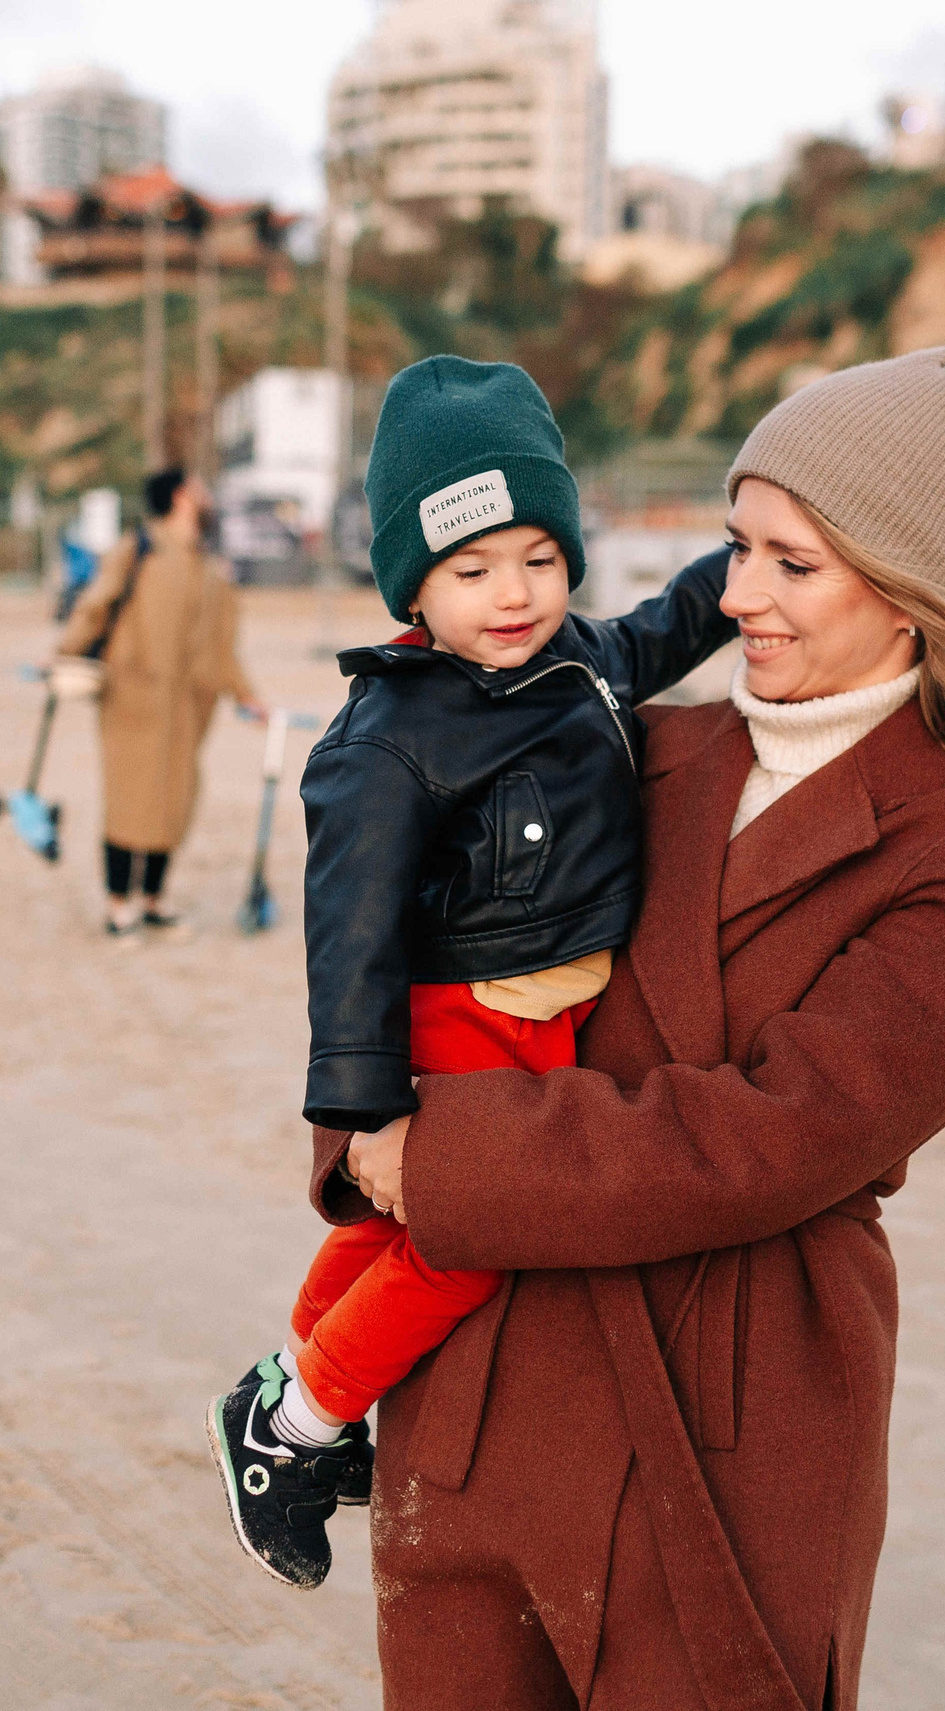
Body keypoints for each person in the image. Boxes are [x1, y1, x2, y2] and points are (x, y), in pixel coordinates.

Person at [327, 346, 945, 1706]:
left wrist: (437, 1159)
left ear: (906, 580)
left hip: (729, 1432)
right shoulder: (647, 746)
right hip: (482, 1404)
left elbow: (770, 1135)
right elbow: (410, 960)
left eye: (790, 563)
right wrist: (359, 1124)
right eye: (738, 545)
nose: (735, 592)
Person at [204, 355, 739, 1590]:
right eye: (471, 569)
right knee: (471, 1235)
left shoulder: (585, 658)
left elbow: (679, 621)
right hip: (460, 1015)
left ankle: (281, 1376)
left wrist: (759, 551)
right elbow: (348, 930)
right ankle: (297, 1428)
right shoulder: (391, 733)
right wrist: (367, 1102)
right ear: (413, 583)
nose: (513, 595)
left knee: (407, 1221)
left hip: (551, 1017)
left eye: (540, 560)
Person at [56, 468, 263, 936]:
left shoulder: (209, 567)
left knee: (174, 799)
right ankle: (116, 905)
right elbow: (97, 603)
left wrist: (247, 696)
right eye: (201, 487)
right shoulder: (138, 549)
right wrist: (64, 653)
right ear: (181, 496)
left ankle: (153, 901)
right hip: (132, 698)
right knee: (129, 801)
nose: (208, 496)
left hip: (188, 708)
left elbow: (222, 646)